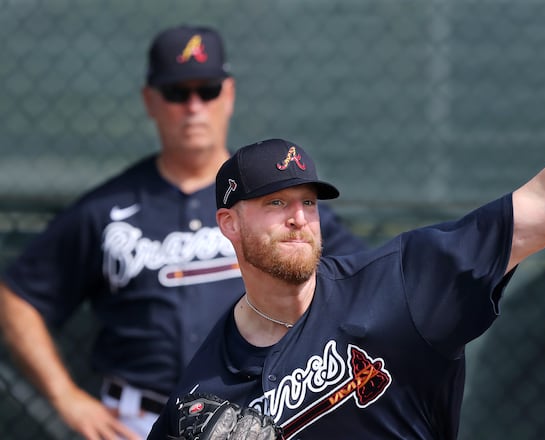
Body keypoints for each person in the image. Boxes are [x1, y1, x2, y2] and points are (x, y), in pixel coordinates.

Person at [147, 91, 545, 438]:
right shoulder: (203, 390)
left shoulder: (399, 287)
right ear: (229, 224)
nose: (299, 217)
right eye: (275, 203)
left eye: (307, 202)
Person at [0, 25, 365, 440]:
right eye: (177, 92)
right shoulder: (107, 210)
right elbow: (18, 295)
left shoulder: (282, 206)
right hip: (137, 422)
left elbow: (358, 284)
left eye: (206, 90)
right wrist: (66, 396)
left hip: (262, 414)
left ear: (227, 94)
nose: (193, 107)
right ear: (150, 100)